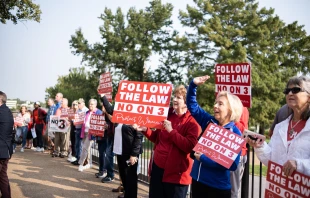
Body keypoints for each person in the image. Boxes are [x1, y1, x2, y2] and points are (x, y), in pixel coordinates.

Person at [134, 85, 200, 198]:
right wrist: (145, 130)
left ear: (186, 101)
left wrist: (171, 131)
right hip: (158, 170)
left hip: (176, 175)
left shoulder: (193, 122)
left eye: (179, 97)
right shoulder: (167, 114)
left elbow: (189, 147)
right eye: (174, 96)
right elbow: (157, 138)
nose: (174, 99)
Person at [186, 75, 243, 198]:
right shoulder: (209, 122)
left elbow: (232, 164)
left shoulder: (235, 133)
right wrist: (193, 85)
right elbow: (192, 106)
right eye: (216, 102)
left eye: (220, 104)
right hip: (197, 182)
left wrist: (204, 158)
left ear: (230, 110)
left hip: (217, 188)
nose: (215, 106)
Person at [248, 76, 310, 177]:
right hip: (280, 190)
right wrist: (259, 146)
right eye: (287, 90)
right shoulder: (280, 127)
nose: (290, 93)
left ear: (309, 97)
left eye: (295, 90)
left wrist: (299, 165)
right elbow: (272, 160)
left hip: (303, 191)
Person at [78, 99, 102, 172]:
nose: (90, 105)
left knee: (84, 148)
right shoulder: (87, 112)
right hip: (85, 132)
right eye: (89, 104)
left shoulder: (98, 112)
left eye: (92, 104)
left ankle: (81, 164)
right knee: (87, 149)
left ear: (95, 105)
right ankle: (89, 163)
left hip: (91, 133)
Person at [231, 107, 249, 198]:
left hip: (238, 154)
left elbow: (243, 131)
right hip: (225, 151)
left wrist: (234, 118)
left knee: (234, 190)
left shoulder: (242, 108)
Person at [98, 94, 115, 183]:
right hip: (110, 135)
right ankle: (109, 174)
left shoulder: (111, 110)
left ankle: (110, 175)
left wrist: (107, 113)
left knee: (109, 155)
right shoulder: (103, 114)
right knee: (108, 155)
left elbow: (113, 119)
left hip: (114, 137)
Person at [0, 91, 14, 198]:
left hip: (1, 149)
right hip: (6, 149)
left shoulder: (1, 112)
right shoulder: (8, 111)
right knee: (2, 177)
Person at [71, 98, 88, 165]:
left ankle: (81, 160)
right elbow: (75, 119)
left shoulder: (86, 110)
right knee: (77, 144)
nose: (79, 104)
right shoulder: (78, 110)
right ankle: (78, 158)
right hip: (77, 128)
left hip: (82, 129)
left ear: (83, 103)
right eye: (78, 103)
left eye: (80, 103)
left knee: (81, 145)